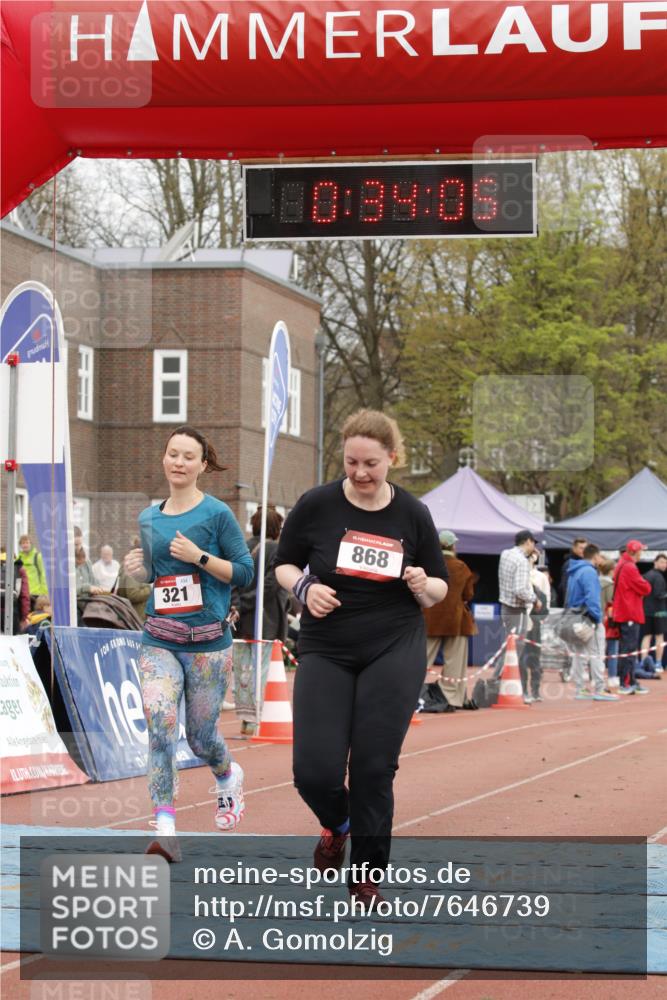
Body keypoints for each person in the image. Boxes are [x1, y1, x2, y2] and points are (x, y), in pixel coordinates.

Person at [274, 409, 448, 909]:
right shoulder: (317, 505)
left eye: (371, 463)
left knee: (374, 766)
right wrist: (306, 587)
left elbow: (438, 586)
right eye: (351, 462)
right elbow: (284, 564)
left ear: (393, 458)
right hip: (327, 645)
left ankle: (367, 874)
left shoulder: (412, 513)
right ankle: (337, 822)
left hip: (393, 644)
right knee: (314, 771)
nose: (360, 473)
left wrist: (422, 583)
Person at [123, 425, 254, 861]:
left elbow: (245, 572)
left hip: (208, 643)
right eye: (172, 454)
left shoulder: (217, 515)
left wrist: (199, 556)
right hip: (159, 637)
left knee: (200, 738)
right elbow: (152, 577)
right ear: (164, 459)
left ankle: (226, 773)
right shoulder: (149, 517)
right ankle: (165, 827)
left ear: (202, 465)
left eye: (187, 456)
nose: (178, 462)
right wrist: (137, 569)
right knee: (160, 728)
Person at [232, 506, 289, 736]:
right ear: (277, 527)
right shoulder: (278, 549)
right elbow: (271, 584)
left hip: (241, 617)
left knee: (242, 669)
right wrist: (249, 602)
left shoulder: (240, 547)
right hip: (266, 618)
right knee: (261, 669)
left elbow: (232, 579)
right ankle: (257, 718)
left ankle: (246, 718)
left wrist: (238, 604)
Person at [422, 530, 477, 710]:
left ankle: (411, 693)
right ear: (453, 545)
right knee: (455, 662)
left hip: (430, 620)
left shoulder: (428, 565)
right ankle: (452, 697)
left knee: (421, 659)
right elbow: (468, 594)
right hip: (456, 620)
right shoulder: (460, 567)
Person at [564, 543, 619, 701]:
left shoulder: (574, 571)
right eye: (600, 556)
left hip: (575, 616)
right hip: (588, 618)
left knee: (579, 654)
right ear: (595, 556)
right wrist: (596, 618)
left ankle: (580, 688)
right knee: (596, 653)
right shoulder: (589, 572)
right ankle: (600, 689)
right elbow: (592, 597)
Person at [497, 530, 540, 680]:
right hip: (517, 609)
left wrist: (532, 558)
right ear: (528, 541)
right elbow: (520, 590)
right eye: (533, 543)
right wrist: (535, 599)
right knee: (514, 650)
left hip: (505, 606)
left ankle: (497, 681)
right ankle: (498, 682)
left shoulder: (506, 554)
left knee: (508, 647)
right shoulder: (521, 561)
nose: (534, 546)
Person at [612, 539, 651, 695]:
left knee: (626, 649)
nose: (642, 553)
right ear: (635, 551)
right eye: (641, 550)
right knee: (629, 650)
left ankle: (630, 680)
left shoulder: (622, 564)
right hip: (630, 613)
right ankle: (627, 682)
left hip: (625, 612)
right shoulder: (629, 567)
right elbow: (646, 588)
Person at [521, 550, 550, 703]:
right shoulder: (519, 575)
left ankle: (535, 690)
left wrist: (541, 618)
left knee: (534, 658)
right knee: (521, 658)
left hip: (535, 621)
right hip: (520, 620)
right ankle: (523, 690)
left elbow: (547, 598)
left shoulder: (540, 577)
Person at [640, 553, 667, 672]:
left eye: (666, 563)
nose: (665, 565)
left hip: (646, 611)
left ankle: (642, 662)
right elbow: (659, 594)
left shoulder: (645, 575)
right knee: (659, 637)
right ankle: (658, 664)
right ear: (655, 562)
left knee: (646, 637)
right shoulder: (659, 577)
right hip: (659, 612)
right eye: (662, 562)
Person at [116, 538, 152, 622]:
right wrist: (150, 589)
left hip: (135, 617)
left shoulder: (136, 566)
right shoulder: (134, 567)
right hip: (135, 619)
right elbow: (133, 594)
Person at [599, 558, 620, 690]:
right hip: (608, 621)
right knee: (612, 649)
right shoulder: (609, 585)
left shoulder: (595, 581)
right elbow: (611, 606)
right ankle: (612, 677)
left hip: (595, 617)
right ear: (612, 570)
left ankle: (595, 677)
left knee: (596, 651)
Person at [0, 549, 30, 633]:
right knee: (13, 642)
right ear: (14, 557)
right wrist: (24, 617)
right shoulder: (19, 569)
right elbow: (24, 595)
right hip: (12, 612)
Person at [17, 534, 48, 607]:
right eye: (23, 543)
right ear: (20, 545)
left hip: (36, 594)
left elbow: (43, 575)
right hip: (23, 594)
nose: (25, 545)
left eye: (27, 543)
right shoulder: (19, 559)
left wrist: (44, 593)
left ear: (31, 544)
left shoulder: (38, 557)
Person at [557, 537, 587, 606]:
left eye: (585, 548)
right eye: (581, 548)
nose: (583, 551)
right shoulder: (569, 564)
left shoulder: (586, 563)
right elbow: (565, 586)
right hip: (572, 606)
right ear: (574, 548)